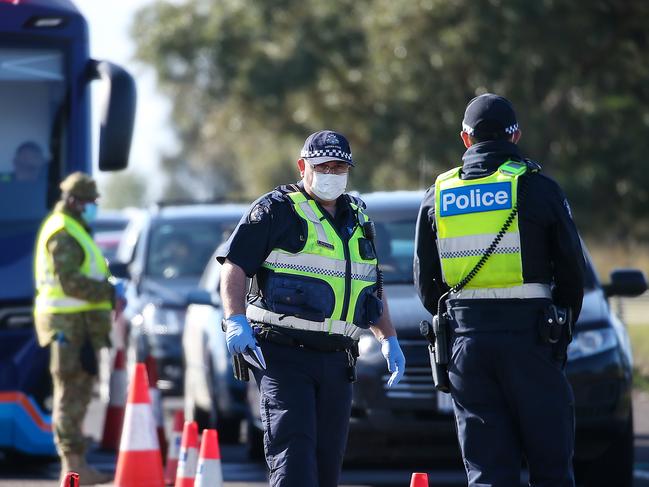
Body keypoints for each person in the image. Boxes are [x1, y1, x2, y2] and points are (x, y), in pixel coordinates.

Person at [217, 130, 406, 487]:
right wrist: (235, 320)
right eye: (323, 166)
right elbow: (234, 265)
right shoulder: (276, 209)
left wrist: (388, 338)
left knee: (326, 468)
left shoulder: (358, 217)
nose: (331, 174)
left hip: (338, 361)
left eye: (339, 167)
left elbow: (371, 285)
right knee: (294, 462)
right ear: (303, 166)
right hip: (283, 357)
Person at [414, 94, 585, 487]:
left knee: (488, 472)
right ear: (516, 136)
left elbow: (427, 289)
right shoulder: (538, 188)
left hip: (467, 347)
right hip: (533, 341)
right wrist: (560, 329)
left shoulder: (438, 195)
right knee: (552, 467)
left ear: (465, 139)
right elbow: (572, 273)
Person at [33, 172, 121, 485]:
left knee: (80, 394)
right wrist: (110, 293)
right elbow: (70, 284)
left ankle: (77, 466)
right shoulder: (63, 232)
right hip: (69, 327)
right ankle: (72, 468)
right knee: (70, 395)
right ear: (74, 201)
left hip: (80, 327)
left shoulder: (74, 228)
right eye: (89, 202)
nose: (93, 207)